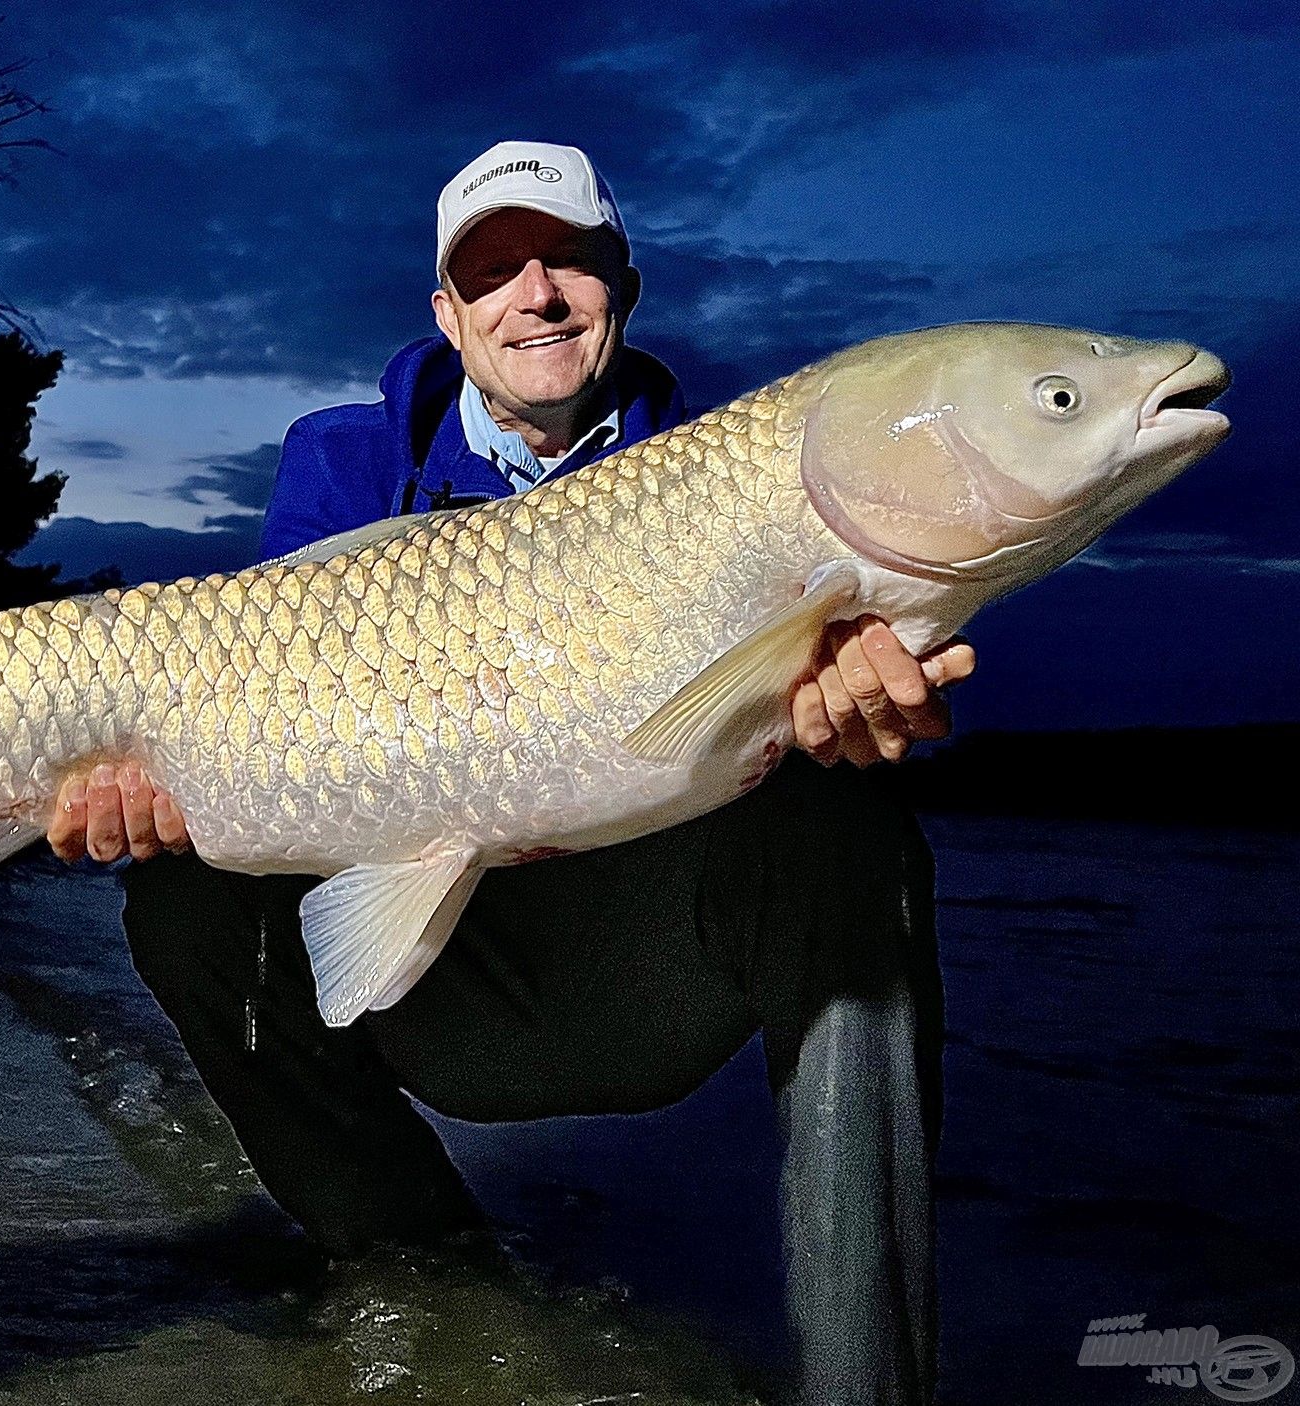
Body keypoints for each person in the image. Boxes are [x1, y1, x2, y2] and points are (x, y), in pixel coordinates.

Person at [48, 141, 974, 1406]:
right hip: (438, 978)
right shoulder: (343, 463)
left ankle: (869, 1379)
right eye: (491, 270)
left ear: (622, 288)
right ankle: (416, 1267)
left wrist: (839, 713)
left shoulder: (724, 481)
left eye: (568, 261)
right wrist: (156, 787)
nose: (532, 293)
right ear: (449, 311)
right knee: (187, 891)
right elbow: (282, 744)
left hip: (639, 964)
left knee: (855, 841)